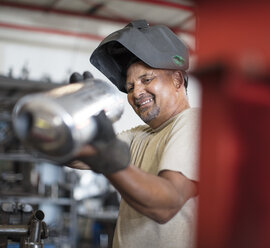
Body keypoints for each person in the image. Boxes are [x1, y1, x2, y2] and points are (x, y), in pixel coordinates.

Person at [69, 20, 200, 248]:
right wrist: (71, 119)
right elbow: (77, 154)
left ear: (177, 79)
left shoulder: (193, 124)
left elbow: (164, 206)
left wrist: (107, 156)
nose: (136, 93)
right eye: (130, 87)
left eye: (146, 80)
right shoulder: (140, 135)